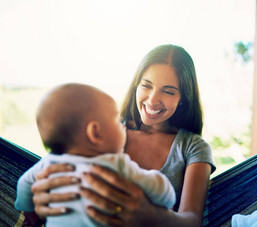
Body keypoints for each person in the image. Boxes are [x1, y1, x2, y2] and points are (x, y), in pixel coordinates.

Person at [30, 44, 216, 226]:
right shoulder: (105, 131)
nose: (152, 100)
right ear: (136, 85)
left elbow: (192, 220)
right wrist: (40, 198)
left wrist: (151, 216)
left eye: (168, 91)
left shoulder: (193, 147)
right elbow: (50, 174)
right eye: (146, 85)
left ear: (183, 97)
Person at [15, 83, 176, 226]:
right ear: (95, 133)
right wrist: (165, 191)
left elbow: (23, 184)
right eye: (118, 121)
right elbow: (161, 191)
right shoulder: (116, 165)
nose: (123, 126)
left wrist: (29, 211)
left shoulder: (50, 163)